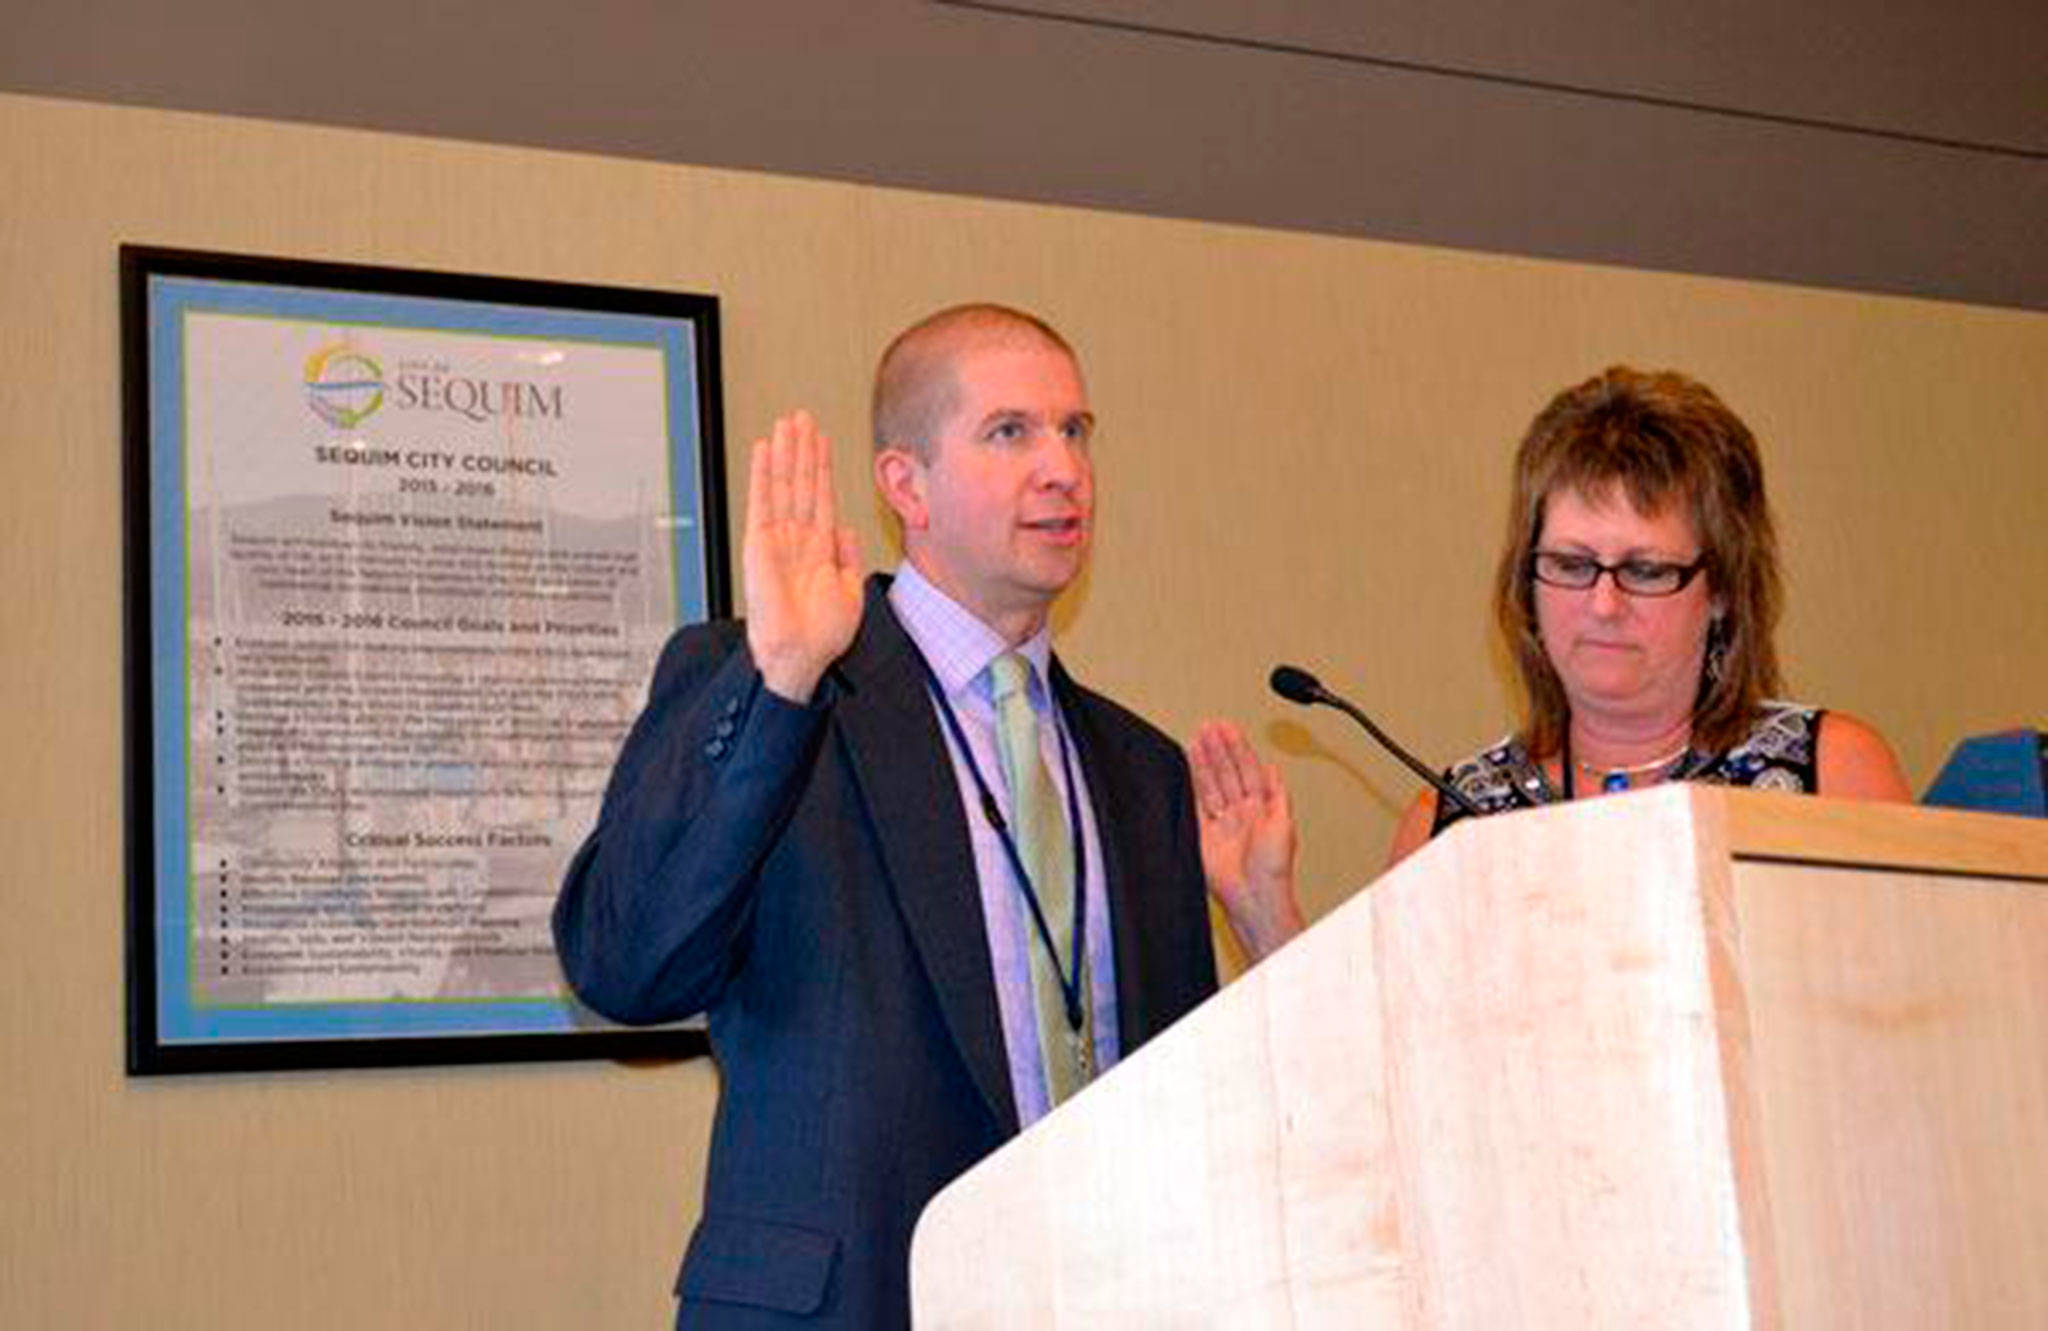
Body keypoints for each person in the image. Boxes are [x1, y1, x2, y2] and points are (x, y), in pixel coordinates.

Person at [552, 303, 1295, 1329]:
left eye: (1074, 431)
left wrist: (1270, 924)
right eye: (1010, 432)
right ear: (905, 484)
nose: (1061, 468)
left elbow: (1189, 1113)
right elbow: (624, 964)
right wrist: (780, 678)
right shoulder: (781, 688)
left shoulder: (1141, 771)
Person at [1386, 365, 1911, 864]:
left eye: (1646, 571)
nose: (1604, 604)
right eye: (1571, 564)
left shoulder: (1833, 772)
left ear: (1724, 589)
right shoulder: (1446, 823)